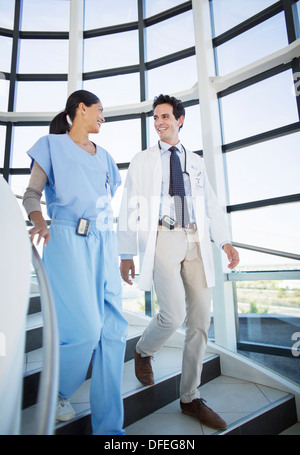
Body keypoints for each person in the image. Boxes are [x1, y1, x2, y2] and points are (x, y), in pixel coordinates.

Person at [117, 94, 239, 431]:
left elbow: (212, 204)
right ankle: (144, 350)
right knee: (173, 314)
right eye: (156, 117)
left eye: (166, 116)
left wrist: (225, 240)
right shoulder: (142, 160)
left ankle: (190, 397)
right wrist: (126, 253)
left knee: (200, 318)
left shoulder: (196, 161)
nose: (159, 122)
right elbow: (129, 205)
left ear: (180, 119)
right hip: (161, 238)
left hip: (195, 239)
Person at [23, 90, 128, 435]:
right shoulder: (51, 145)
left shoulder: (106, 157)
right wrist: (39, 220)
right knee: (84, 330)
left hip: (104, 240)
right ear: (80, 109)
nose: (103, 117)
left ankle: (111, 429)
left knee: (113, 333)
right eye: (99, 110)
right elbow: (32, 194)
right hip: (67, 240)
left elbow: (104, 198)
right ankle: (58, 391)